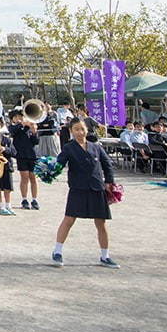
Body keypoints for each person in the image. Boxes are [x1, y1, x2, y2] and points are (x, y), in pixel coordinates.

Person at [51, 117, 119, 269]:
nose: (80, 132)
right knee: (69, 220)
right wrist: (50, 170)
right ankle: (57, 251)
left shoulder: (96, 147)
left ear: (87, 130)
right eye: (76, 129)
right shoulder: (68, 148)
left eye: (82, 129)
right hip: (78, 188)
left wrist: (109, 182)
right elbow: (59, 164)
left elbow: (107, 164)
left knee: (101, 223)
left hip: (96, 188)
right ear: (71, 131)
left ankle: (105, 256)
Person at [9, 109, 40, 209]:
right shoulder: (13, 127)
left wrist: (34, 132)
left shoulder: (28, 127)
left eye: (21, 116)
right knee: (24, 177)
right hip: (21, 155)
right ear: (13, 118)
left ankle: (34, 199)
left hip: (32, 155)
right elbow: (13, 132)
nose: (19, 118)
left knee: (33, 177)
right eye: (17, 117)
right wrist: (21, 124)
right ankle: (24, 199)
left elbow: (35, 142)